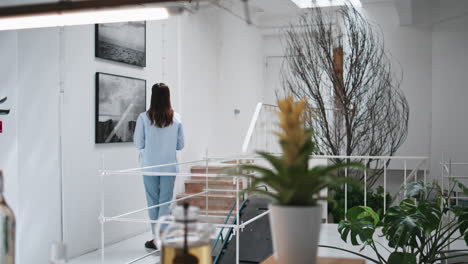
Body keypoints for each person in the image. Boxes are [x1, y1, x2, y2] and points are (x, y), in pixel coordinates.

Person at [134, 83, 184, 249]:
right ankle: (162, 237)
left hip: (149, 166)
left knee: (153, 202)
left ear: (152, 96)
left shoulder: (143, 118)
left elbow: (138, 143)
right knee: (165, 202)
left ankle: (157, 238)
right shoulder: (176, 118)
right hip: (169, 167)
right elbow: (180, 145)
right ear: (168, 96)